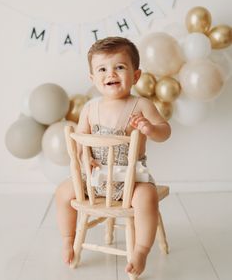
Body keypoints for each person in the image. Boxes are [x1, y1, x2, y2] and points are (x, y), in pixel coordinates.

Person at [55, 36, 171, 276]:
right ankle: (68, 238)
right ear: (93, 78)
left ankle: (140, 250)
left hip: (131, 179)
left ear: (136, 75)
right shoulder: (90, 109)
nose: (112, 74)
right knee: (63, 192)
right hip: (95, 179)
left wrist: (150, 128)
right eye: (103, 69)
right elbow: (79, 143)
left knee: (147, 198)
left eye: (120, 67)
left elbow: (165, 132)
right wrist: (85, 158)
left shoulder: (141, 105)